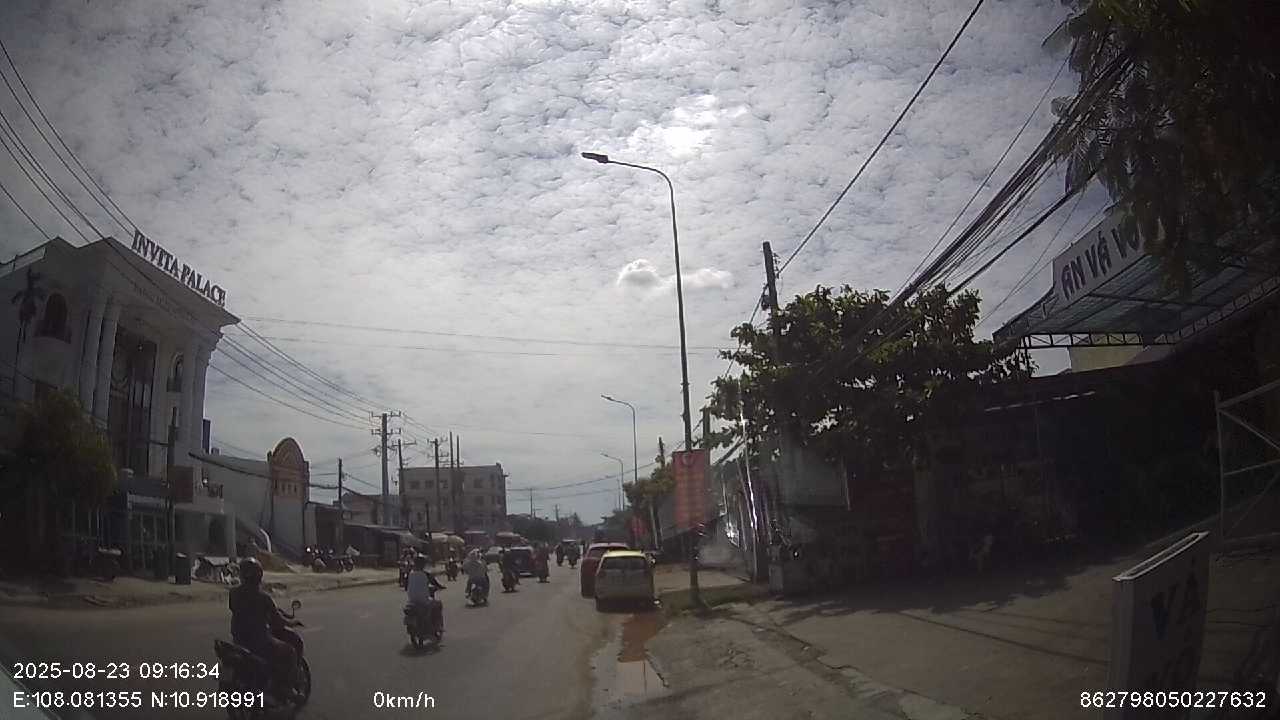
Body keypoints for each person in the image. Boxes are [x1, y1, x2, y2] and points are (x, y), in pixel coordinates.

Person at [229, 557, 301, 698]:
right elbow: (278, 620)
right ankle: (286, 688)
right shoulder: (263, 598)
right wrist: (292, 623)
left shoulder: (234, 594)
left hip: (239, 640)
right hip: (260, 641)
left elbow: (241, 609)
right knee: (290, 652)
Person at [405, 554, 444, 630]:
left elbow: (406, 586)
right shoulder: (426, 574)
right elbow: (435, 583)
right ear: (423, 564)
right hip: (424, 600)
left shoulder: (410, 574)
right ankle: (437, 625)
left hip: (412, 600)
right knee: (438, 604)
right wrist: (441, 587)